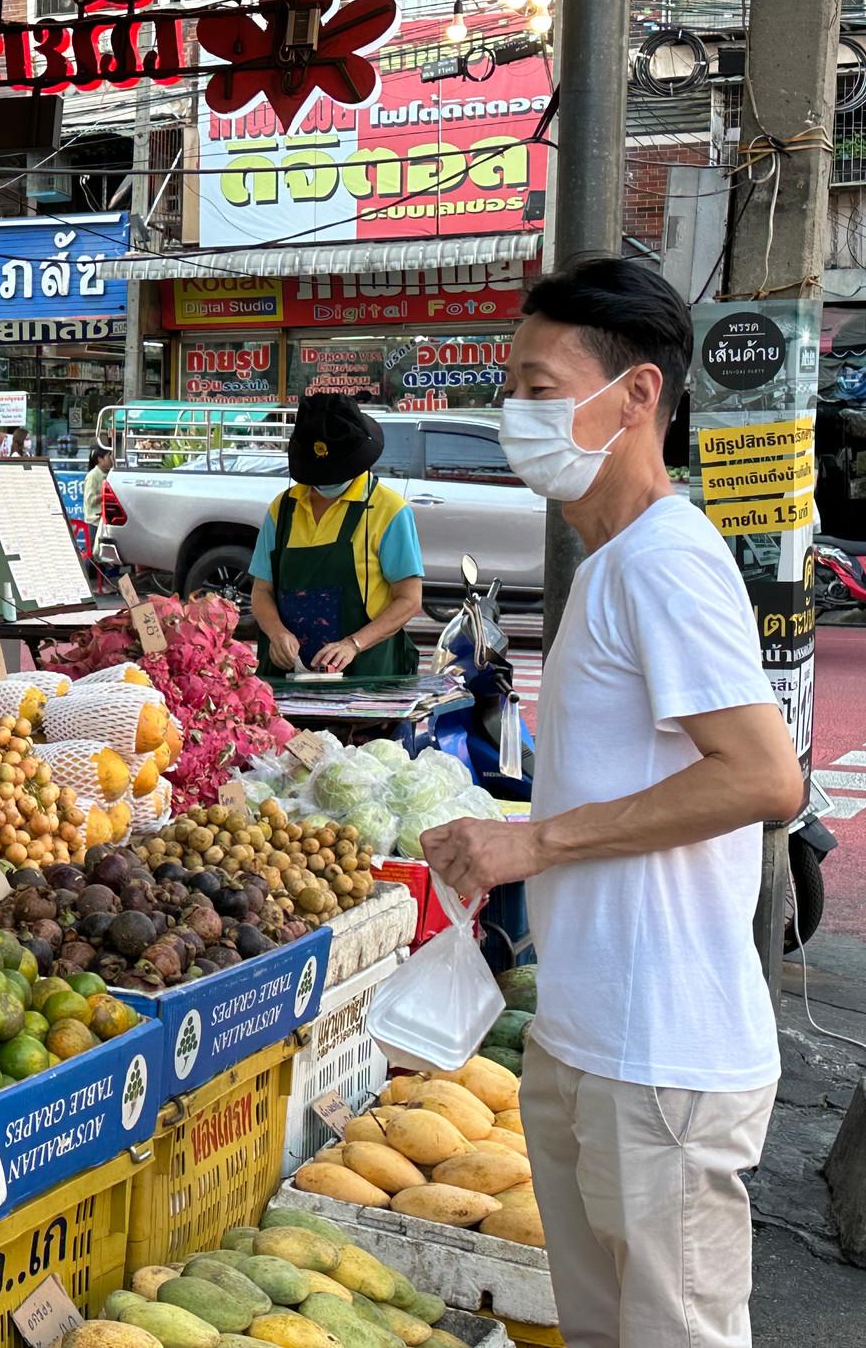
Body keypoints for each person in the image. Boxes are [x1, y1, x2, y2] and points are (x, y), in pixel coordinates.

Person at [421, 258, 801, 1348]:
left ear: (635, 395)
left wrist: (533, 841)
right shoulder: (611, 564)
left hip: (664, 1058)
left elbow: (763, 776)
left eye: (541, 389)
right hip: (593, 1040)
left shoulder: (664, 564)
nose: (516, 415)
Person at [247, 393, 423, 676]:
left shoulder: (389, 510)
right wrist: (277, 634)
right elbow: (261, 591)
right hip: (287, 675)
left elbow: (409, 599)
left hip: (366, 674)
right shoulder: (283, 508)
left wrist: (354, 644)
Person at [83, 445, 114, 528]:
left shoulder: (110, 474)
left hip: (106, 521)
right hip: (95, 522)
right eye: (109, 456)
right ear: (100, 459)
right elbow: (90, 500)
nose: (112, 458)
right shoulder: (92, 476)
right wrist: (107, 494)